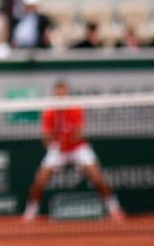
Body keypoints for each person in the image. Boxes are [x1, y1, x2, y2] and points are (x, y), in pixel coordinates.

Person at [23, 81, 124, 223]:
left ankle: (115, 209)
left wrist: (66, 140)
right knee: (40, 180)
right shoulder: (49, 113)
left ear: (67, 93)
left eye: (64, 92)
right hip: (58, 149)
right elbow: (46, 139)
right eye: (59, 93)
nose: (61, 95)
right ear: (55, 94)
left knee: (97, 177)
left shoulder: (76, 109)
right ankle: (30, 212)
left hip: (78, 148)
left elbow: (79, 134)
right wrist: (53, 141)